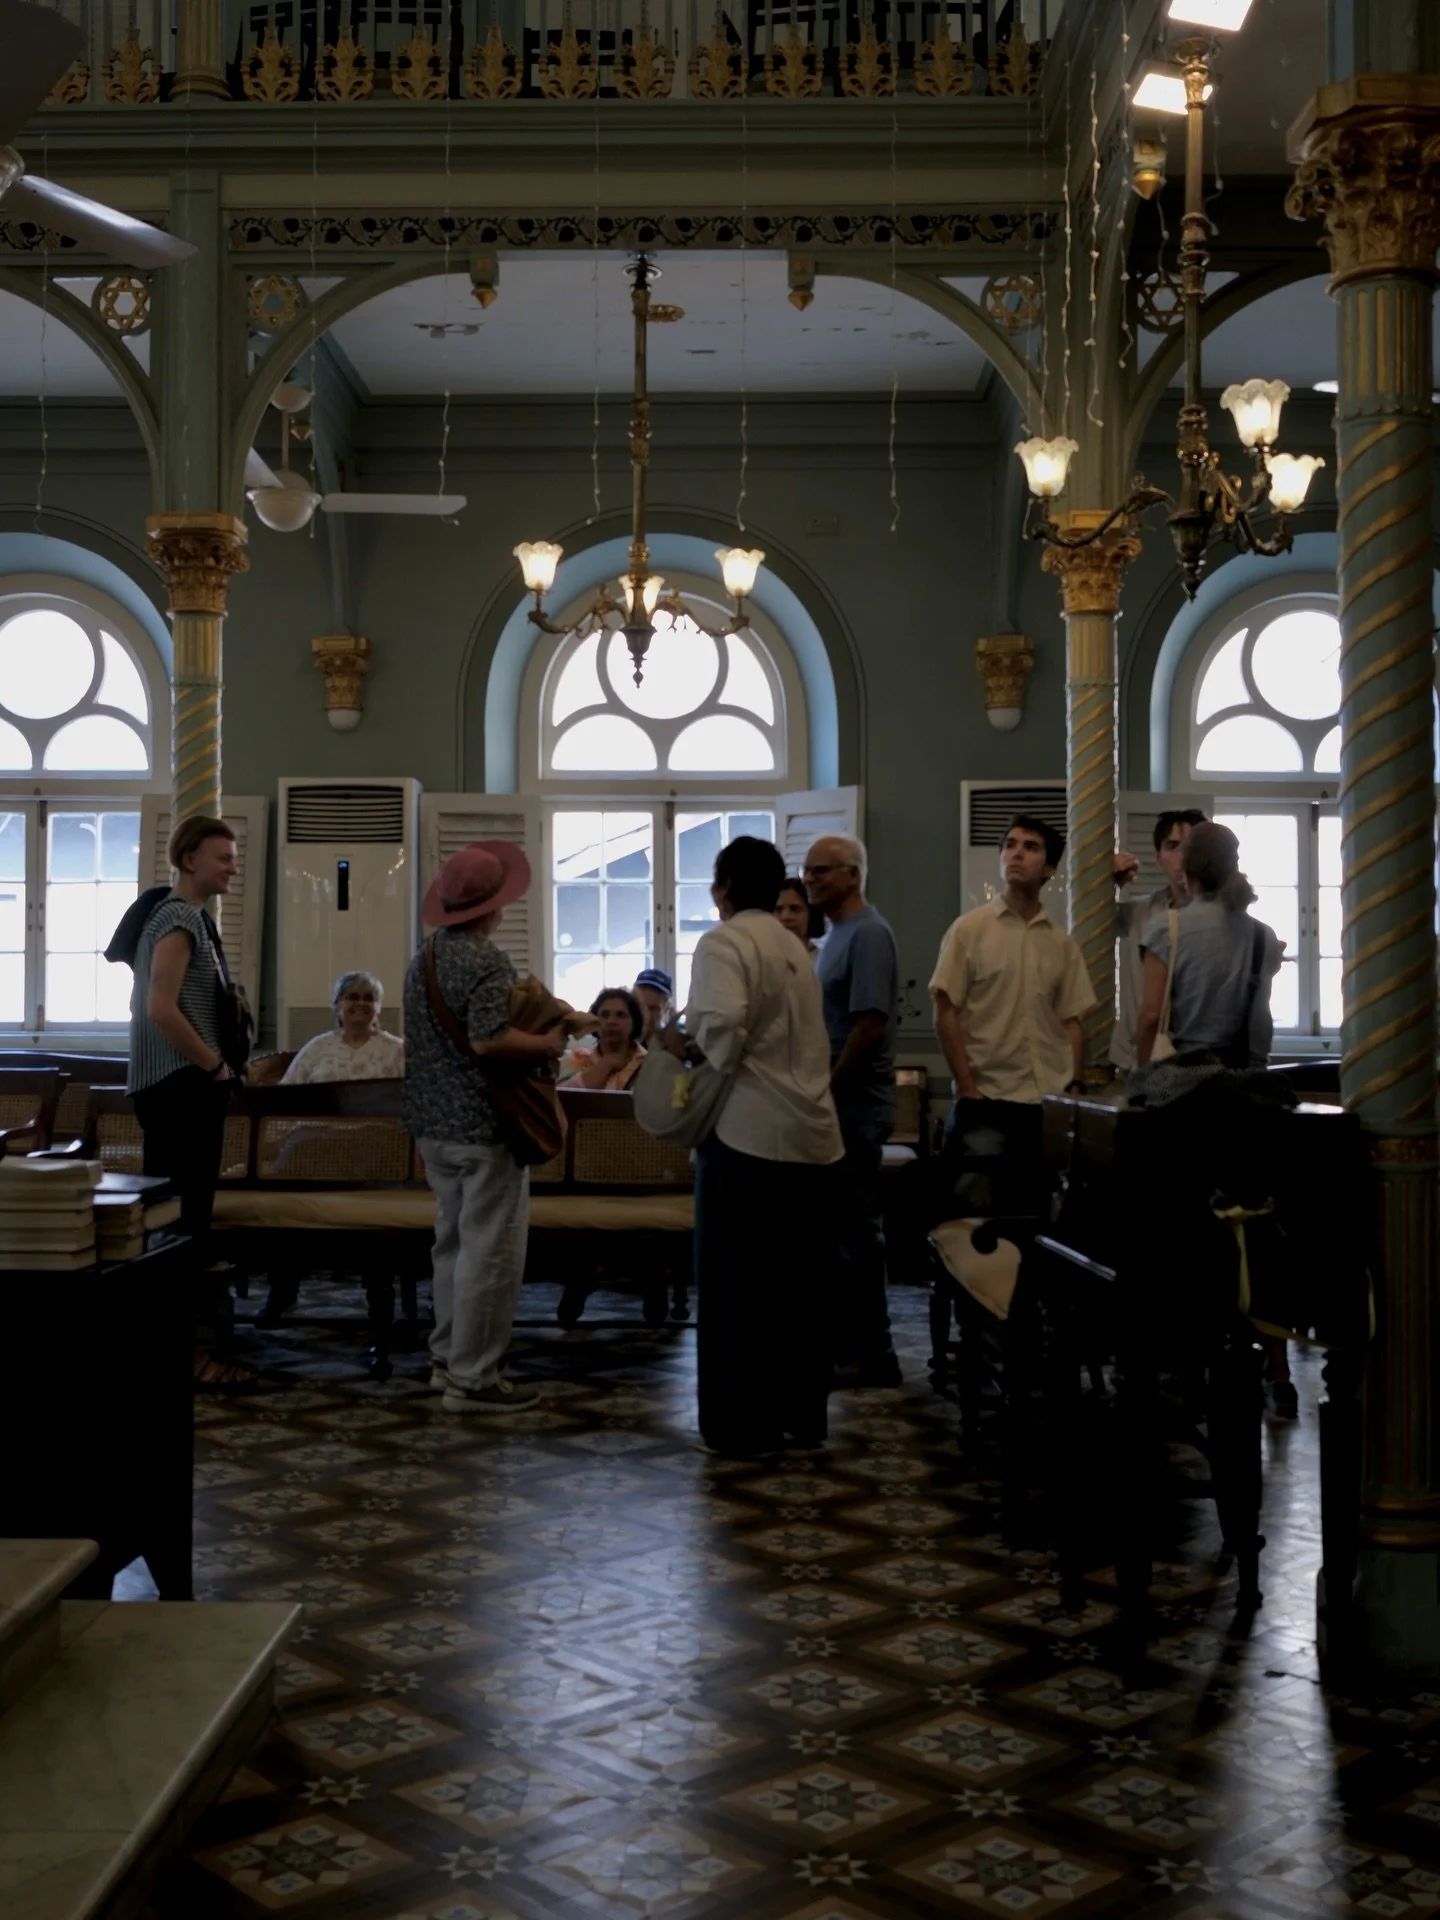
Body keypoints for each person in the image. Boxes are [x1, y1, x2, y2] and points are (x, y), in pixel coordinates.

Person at [686, 835, 843, 1456]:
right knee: (802, 1293)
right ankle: (801, 1417)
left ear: (722, 890)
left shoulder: (723, 942)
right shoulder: (794, 946)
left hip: (750, 1136)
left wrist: (691, 1053)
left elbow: (721, 1025)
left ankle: (739, 1425)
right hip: (815, 1137)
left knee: (737, 1292)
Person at [403, 840, 566, 1415]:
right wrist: (547, 1042)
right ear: (494, 907)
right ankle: (475, 1379)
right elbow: (489, 1038)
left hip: (432, 1128)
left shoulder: (423, 958)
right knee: (491, 1252)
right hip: (484, 1128)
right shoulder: (488, 960)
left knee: (449, 1246)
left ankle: (446, 1359)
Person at [127, 814, 253, 1388]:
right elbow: (160, 1006)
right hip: (181, 1087)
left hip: (180, 1087)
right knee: (182, 1228)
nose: (233, 866)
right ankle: (190, 1360)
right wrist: (214, 1065)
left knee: (183, 1224)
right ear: (188, 860)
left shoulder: (186, 918)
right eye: (222, 856)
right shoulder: (179, 917)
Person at [930, 815, 1096, 1214]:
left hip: (1047, 1103)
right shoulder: (968, 931)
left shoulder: (1061, 943)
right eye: (1010, 844)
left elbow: (1071, 1020)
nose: (1016, 853)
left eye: (1031, 847)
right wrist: (967, 1084)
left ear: (1050, 870)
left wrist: (1073, 1084)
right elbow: (945, 1011)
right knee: (975, 1223)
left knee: (1041, 1218)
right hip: (987, 1097)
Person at [805, 834, 902, 1387]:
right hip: (838, 1105)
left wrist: (826, 1086)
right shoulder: (839, 935)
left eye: (822, 871)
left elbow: (869, 1026)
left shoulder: (868, 934)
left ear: (851, 875)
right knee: (842, 1230)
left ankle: (874, 1354)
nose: (811, 878)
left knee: (856, 1234)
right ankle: (851, 1344)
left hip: (855, 1107)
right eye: (808, 870)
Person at [1134, 821, 1282, 1070]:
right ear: (1233, 867)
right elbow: (1257, 1016)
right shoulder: (1264, 935)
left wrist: (1143, 1078)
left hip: (1187, 1079)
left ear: (1186, 870)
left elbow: (1151, 1017)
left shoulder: (1167, 929)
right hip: (1248, 1081)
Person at [1110, 809, 1208, 1072]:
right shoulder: (1141, 913)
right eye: (1173, 846)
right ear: (1158, 858)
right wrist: (1108, 881)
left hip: (1194, 1064)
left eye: (1192, 846)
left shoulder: (1221, 919)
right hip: (1132, 1060)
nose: (1184, 855)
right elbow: (1090, 922)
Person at [282, 971, 405, 1083]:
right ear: (337, 1006)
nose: (361, 1003)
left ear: (378, 1008)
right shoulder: (317, 1048)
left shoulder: (397, 1050)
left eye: (369, 998)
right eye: (353, 997)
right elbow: (286, 1092)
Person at [560, 988, 646, 1090]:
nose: (611, 1021)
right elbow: (561, 1097)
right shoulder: (578, 1060)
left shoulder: (649, 1064)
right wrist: (605, 1064)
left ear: (634, 1022)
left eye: (620, 1015)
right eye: (604, 1015)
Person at [775, 876, 824, 959]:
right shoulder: (760, 961)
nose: (785, 917)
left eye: (794, 909)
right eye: (779, 910)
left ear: (812, 915)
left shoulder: (824, 964)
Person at [632, 968, 674, 1046]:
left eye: (653, 1009)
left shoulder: (672, 1044)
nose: (646, 1015)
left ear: (667, 1008)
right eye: (640, 1006)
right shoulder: (622, 1039)